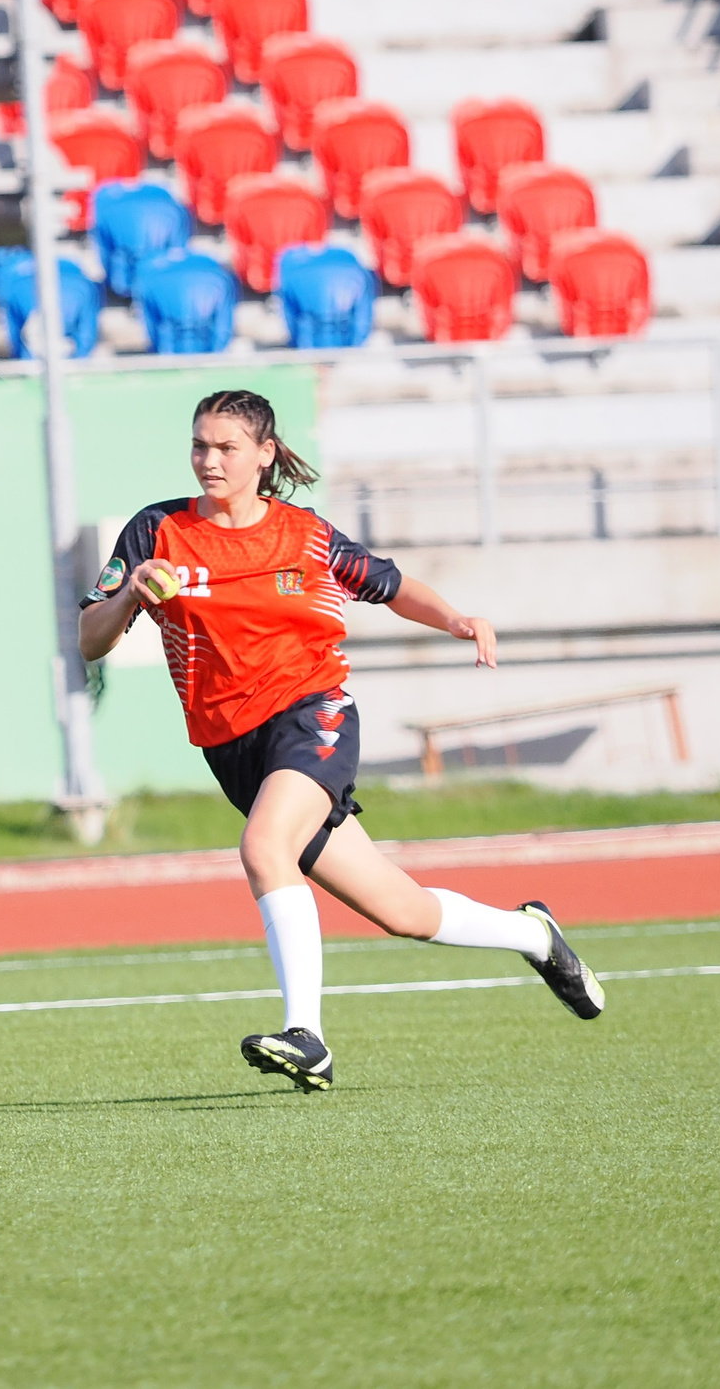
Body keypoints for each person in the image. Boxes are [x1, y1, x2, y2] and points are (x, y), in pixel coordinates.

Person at [78, 389, 604, 1093]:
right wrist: (129, 595)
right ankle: (534, 935)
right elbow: (91, 639)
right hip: (233, 749)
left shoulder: (306, 535)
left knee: (265, 848)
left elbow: (390, 585)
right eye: (200, 445)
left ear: (265, 454)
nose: (209, 460)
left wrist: (455, 619)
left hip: (312, 714)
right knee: (402, 911)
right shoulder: (157, 530)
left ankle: (308, 1037)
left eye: (227, 447)